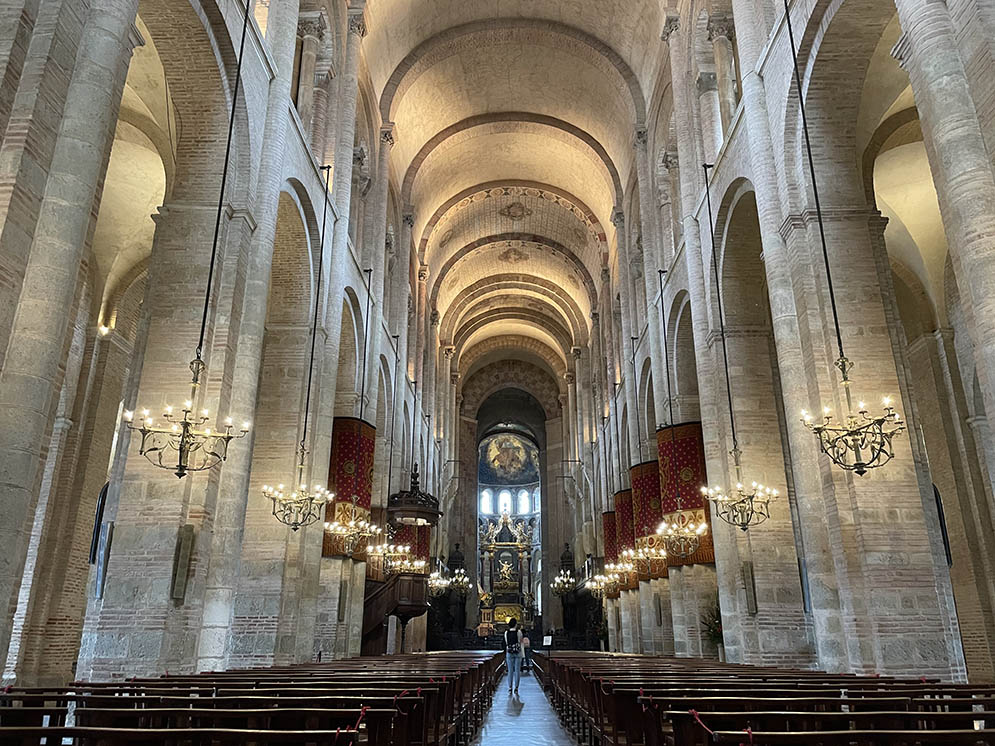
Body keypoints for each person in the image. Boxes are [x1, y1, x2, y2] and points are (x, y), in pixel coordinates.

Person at [505, 618, 524, 695]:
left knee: (510, 671)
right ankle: (516, 687)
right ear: (516, 624)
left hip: (509, 652)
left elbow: (506, 642)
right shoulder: (518, 632)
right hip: (518, 652)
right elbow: (520, 641)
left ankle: (510, 687)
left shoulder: (506, 632)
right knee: (517, 671)